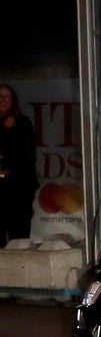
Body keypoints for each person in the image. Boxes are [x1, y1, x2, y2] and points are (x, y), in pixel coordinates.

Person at [0, 84, 39, 245]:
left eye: (6, 97)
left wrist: (5, 156)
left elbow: (28, 154)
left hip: (18, 187)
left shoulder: (22, 123)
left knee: (19, 235)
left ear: (13, 100)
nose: (2, 100)